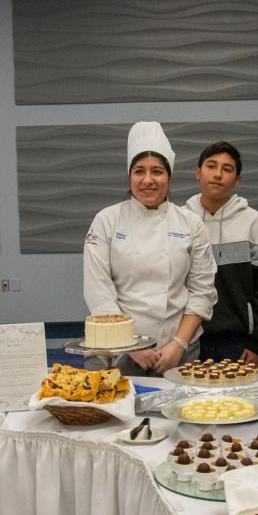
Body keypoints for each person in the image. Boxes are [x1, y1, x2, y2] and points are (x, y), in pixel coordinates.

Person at [84, 121, 217, 376]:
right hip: (115, 352)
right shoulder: (107, 220)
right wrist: (129, 343)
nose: (148, 180)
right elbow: (98, 292)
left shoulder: (191, 223)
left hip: (177, 352)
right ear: (129, 175)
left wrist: (178, 344)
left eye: (157, 171)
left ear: (169, 176)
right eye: (139, 171)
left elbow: (202, 292)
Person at [183, 141, 258, 365]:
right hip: (189, 339)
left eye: (227, 169)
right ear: (198, 172)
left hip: (240, 344)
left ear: (237, 180)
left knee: (242, 401)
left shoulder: (252, 221)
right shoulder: (180, 221)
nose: (218, 174)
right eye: (211, 166)